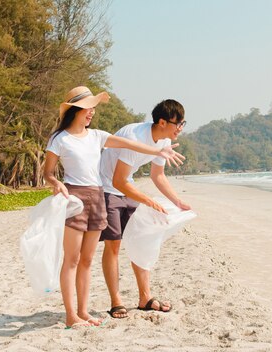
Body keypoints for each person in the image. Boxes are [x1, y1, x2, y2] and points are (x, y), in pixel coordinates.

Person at [43, 87, 184, 329]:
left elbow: (131, 145)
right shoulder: (59, 139)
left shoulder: (96, 135)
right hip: (77, 197)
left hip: (97, 195)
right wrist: (55, 183)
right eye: (89, 108)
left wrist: (159, 150)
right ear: (77, 109)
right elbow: (47, 173)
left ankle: (84, 311)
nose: (92, 113)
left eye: (93, 108)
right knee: (73, 259)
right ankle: (71, 314)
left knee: (87, 259)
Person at [99, 99, 191, 318]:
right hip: (106, 187)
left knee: (142, 238)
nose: (180, 128)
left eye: (182, 123)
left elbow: (157, 175)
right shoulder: (134, 137)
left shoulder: (162, 141)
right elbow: (118, 180)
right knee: (114, 245)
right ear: (162, 122)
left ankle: (145, 298)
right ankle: (116, 301)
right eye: (178, 123)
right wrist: (148, 201)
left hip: (125, 186)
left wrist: (178, 202)